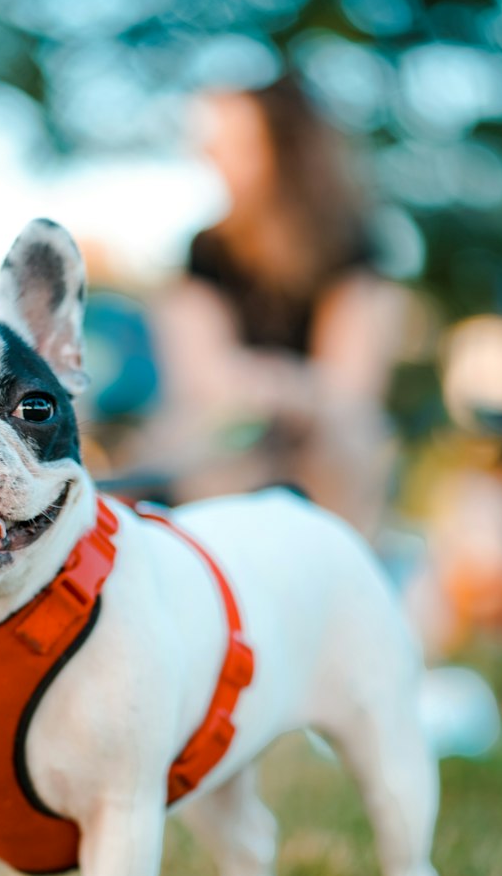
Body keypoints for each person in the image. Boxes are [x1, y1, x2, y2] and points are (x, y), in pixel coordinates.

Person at [145, 76, 403, 537]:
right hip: (233, 417)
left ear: (285, 149)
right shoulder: (205, 251)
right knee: (205, 436)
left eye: (232, 141)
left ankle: (338, 574)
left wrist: (278, 388)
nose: (210, 154)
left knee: (352, 435)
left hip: (318, 426)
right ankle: (220, 570)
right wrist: (263, 391)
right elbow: (197, 371)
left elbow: (351, 387)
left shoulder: (352, 249)